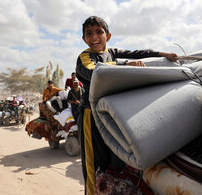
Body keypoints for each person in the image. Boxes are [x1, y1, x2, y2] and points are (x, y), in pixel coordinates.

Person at [75, 15, 178, 195]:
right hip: (90, 115)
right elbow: (96, 71)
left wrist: (164, 55)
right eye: (89, 34)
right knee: (94, 164)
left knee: (115, 161)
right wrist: (125, 64)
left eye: (99, 32)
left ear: (108, 35)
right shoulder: (85, 57)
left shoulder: (112, 52)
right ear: (84, 39)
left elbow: (139, 54)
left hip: (110, 113)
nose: (94, 37)